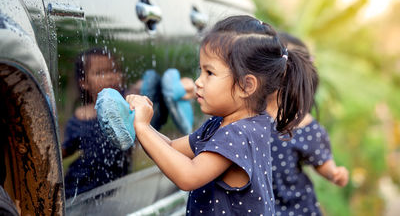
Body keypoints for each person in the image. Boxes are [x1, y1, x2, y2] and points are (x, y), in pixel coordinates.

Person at [124, 15, 316, 215]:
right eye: (201, 70)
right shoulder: (224, 124)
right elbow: (172, 148)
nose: (198, 81)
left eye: (209, 73)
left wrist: (143, 128)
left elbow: (188, 176)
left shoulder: (239, 134)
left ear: (246, 85)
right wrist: (138, 124)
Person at [267, 32, 349, 216]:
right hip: (258, 204)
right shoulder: (251, 111)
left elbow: (321, 160)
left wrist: (334, 173)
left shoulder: (306, 126)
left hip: (294, 207)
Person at [62, 48, 131, 199]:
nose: (111, 77)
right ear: (84, 83)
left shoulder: (127, 102)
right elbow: (68, 148)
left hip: (111, 188)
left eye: (114, 70)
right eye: (101, 73)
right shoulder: (81, 116)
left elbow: (141, 89)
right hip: (80, 187)